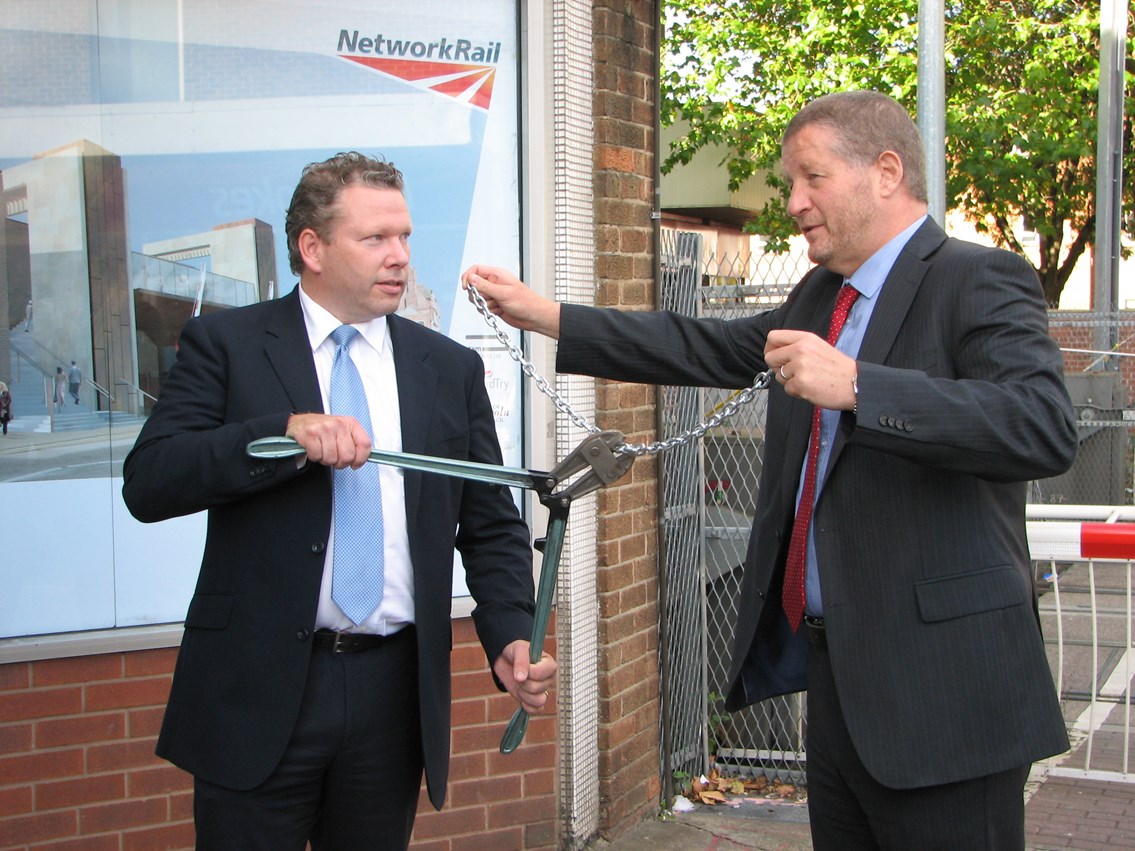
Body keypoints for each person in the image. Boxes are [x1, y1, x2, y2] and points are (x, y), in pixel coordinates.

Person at [463, 91, 1078, 850]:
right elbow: (701, 347)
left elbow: (1040, 426)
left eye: (810, 178)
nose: (792, 202)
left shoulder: (978, 278)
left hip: (944, 698)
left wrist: (857, 386)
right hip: (838, 688)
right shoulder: (818, 295)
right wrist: (546, 315)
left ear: (885, 171)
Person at [122, 151, 556, 850]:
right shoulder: (228, 345)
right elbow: (150, 480)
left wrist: (510, 630)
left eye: (406, 237)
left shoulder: (446, 368)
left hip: (392, 693)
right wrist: (278, 436)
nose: (400, 257)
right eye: (376, 239)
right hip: (259, 688)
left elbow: (488, 525)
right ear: (312, 248)